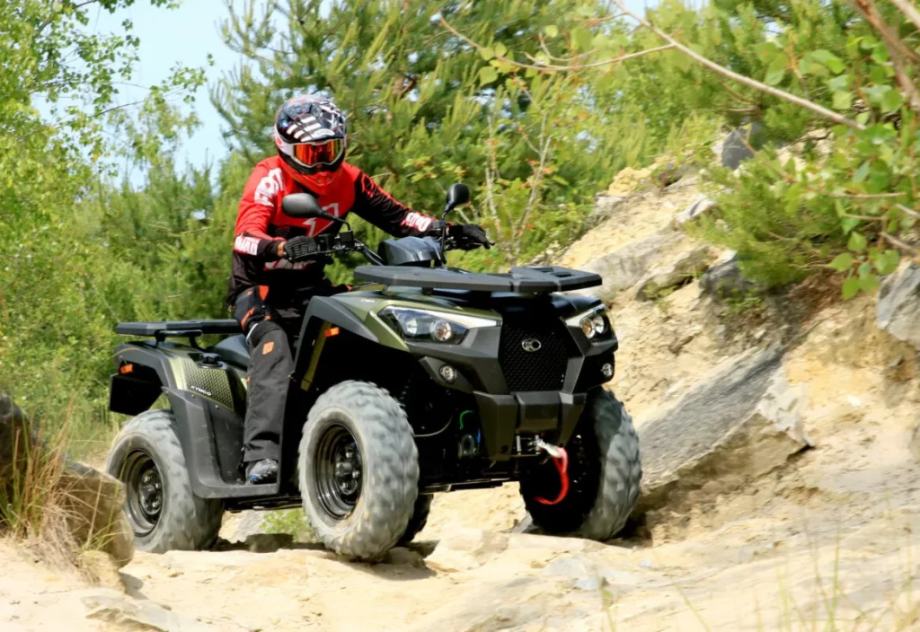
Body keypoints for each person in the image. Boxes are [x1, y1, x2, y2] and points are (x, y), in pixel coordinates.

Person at [228, 94, 490, 484]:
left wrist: (449, 231)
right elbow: (244, 238)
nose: (322, 164)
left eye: (330, 150)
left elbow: (400, 217)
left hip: (311, 289)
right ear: (286, 150)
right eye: (311, 153)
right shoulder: (269, 178)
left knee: (371, 325)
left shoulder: (348, 180)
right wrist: (279, 247)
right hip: (259, 291)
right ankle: (260, 456)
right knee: (274, 347)